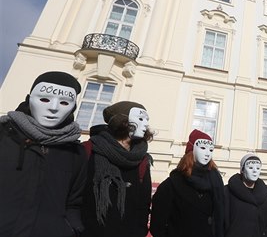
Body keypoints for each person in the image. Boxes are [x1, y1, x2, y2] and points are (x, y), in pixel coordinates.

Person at [0, 71, 86, 237]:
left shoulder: (76, 151)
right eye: (44, 99)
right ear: (29, 98)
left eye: (64, 102)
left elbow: (74, 203)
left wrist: (71, 229)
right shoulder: (3, 135)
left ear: (73, 107)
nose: (53, 108)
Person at [81, 101, 153, 237]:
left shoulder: (143, 160)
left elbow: (143, 205)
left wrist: (139, 231)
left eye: (147, 120)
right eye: (140, 119)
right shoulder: (88, 150)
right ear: (122, 120)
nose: (145, 125)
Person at [150, 129, 225, 237]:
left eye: (211, 150)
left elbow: (220, 219)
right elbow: (157, 225)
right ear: (191, 149)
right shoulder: (171, 185)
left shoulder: (216, 182)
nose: (207, 153)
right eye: (203, 148)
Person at [224, 153, 267, 237]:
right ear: (242, 170)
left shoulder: (265, 196)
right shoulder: (227, 192)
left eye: (258, 168)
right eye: (250, 167)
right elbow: (221, 222)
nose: (255, 171)